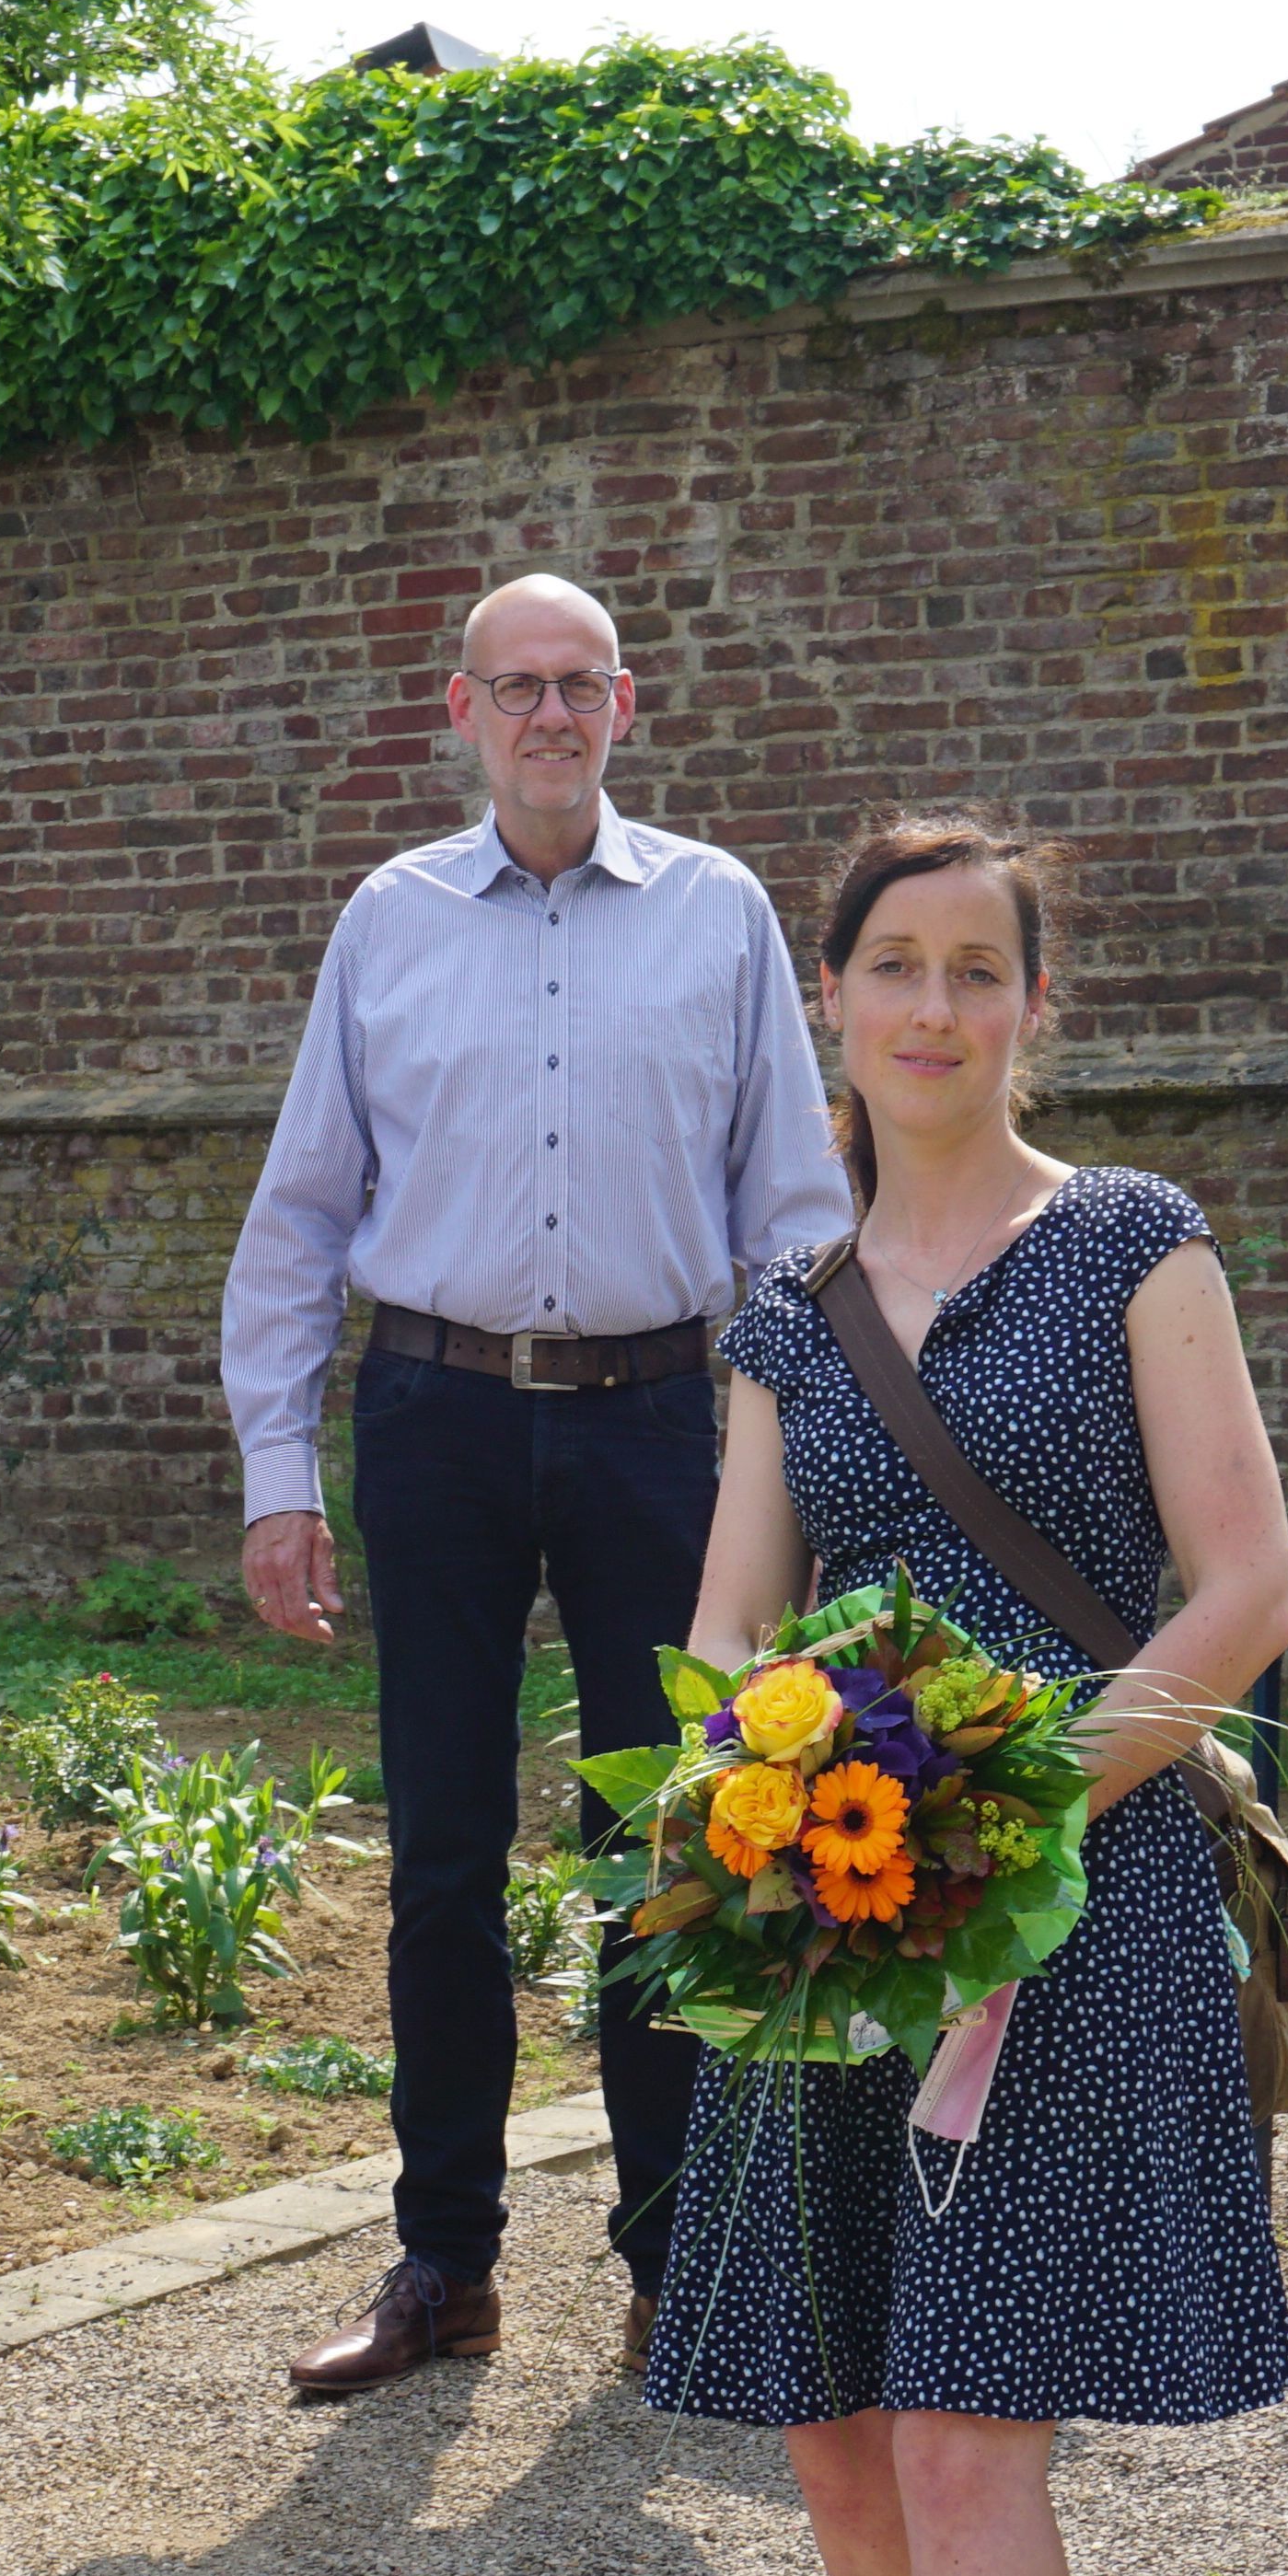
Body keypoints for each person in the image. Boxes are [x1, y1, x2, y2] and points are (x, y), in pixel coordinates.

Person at [644, 815, 1288, 2576]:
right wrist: (762, 1790)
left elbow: (1242, 1589)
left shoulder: (1132, 1242)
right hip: (834, 1916)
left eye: (976, 968)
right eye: (893, 966)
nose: (933, 1007)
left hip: (1074, 1905)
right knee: (834, 2449)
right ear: (832, 997)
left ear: (1034, 1002)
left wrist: (1002, 1804)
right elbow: (732, 1625)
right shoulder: (785, 1314)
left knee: (955, 2449)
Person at [219, 572, 852, 2399]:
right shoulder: (389, 921)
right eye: (520, 686)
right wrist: (279, 1475)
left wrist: (800, 1464)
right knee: (438, 1852)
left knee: (667, 1842)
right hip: (436, 1417)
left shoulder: (719, 913)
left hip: (659, 1423)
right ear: (465, 708)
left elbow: (795, 1219)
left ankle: (678, 2266)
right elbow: (301, 1214)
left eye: (582, 684)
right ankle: (445, 2264)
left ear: (626, 705)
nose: (552, 714)